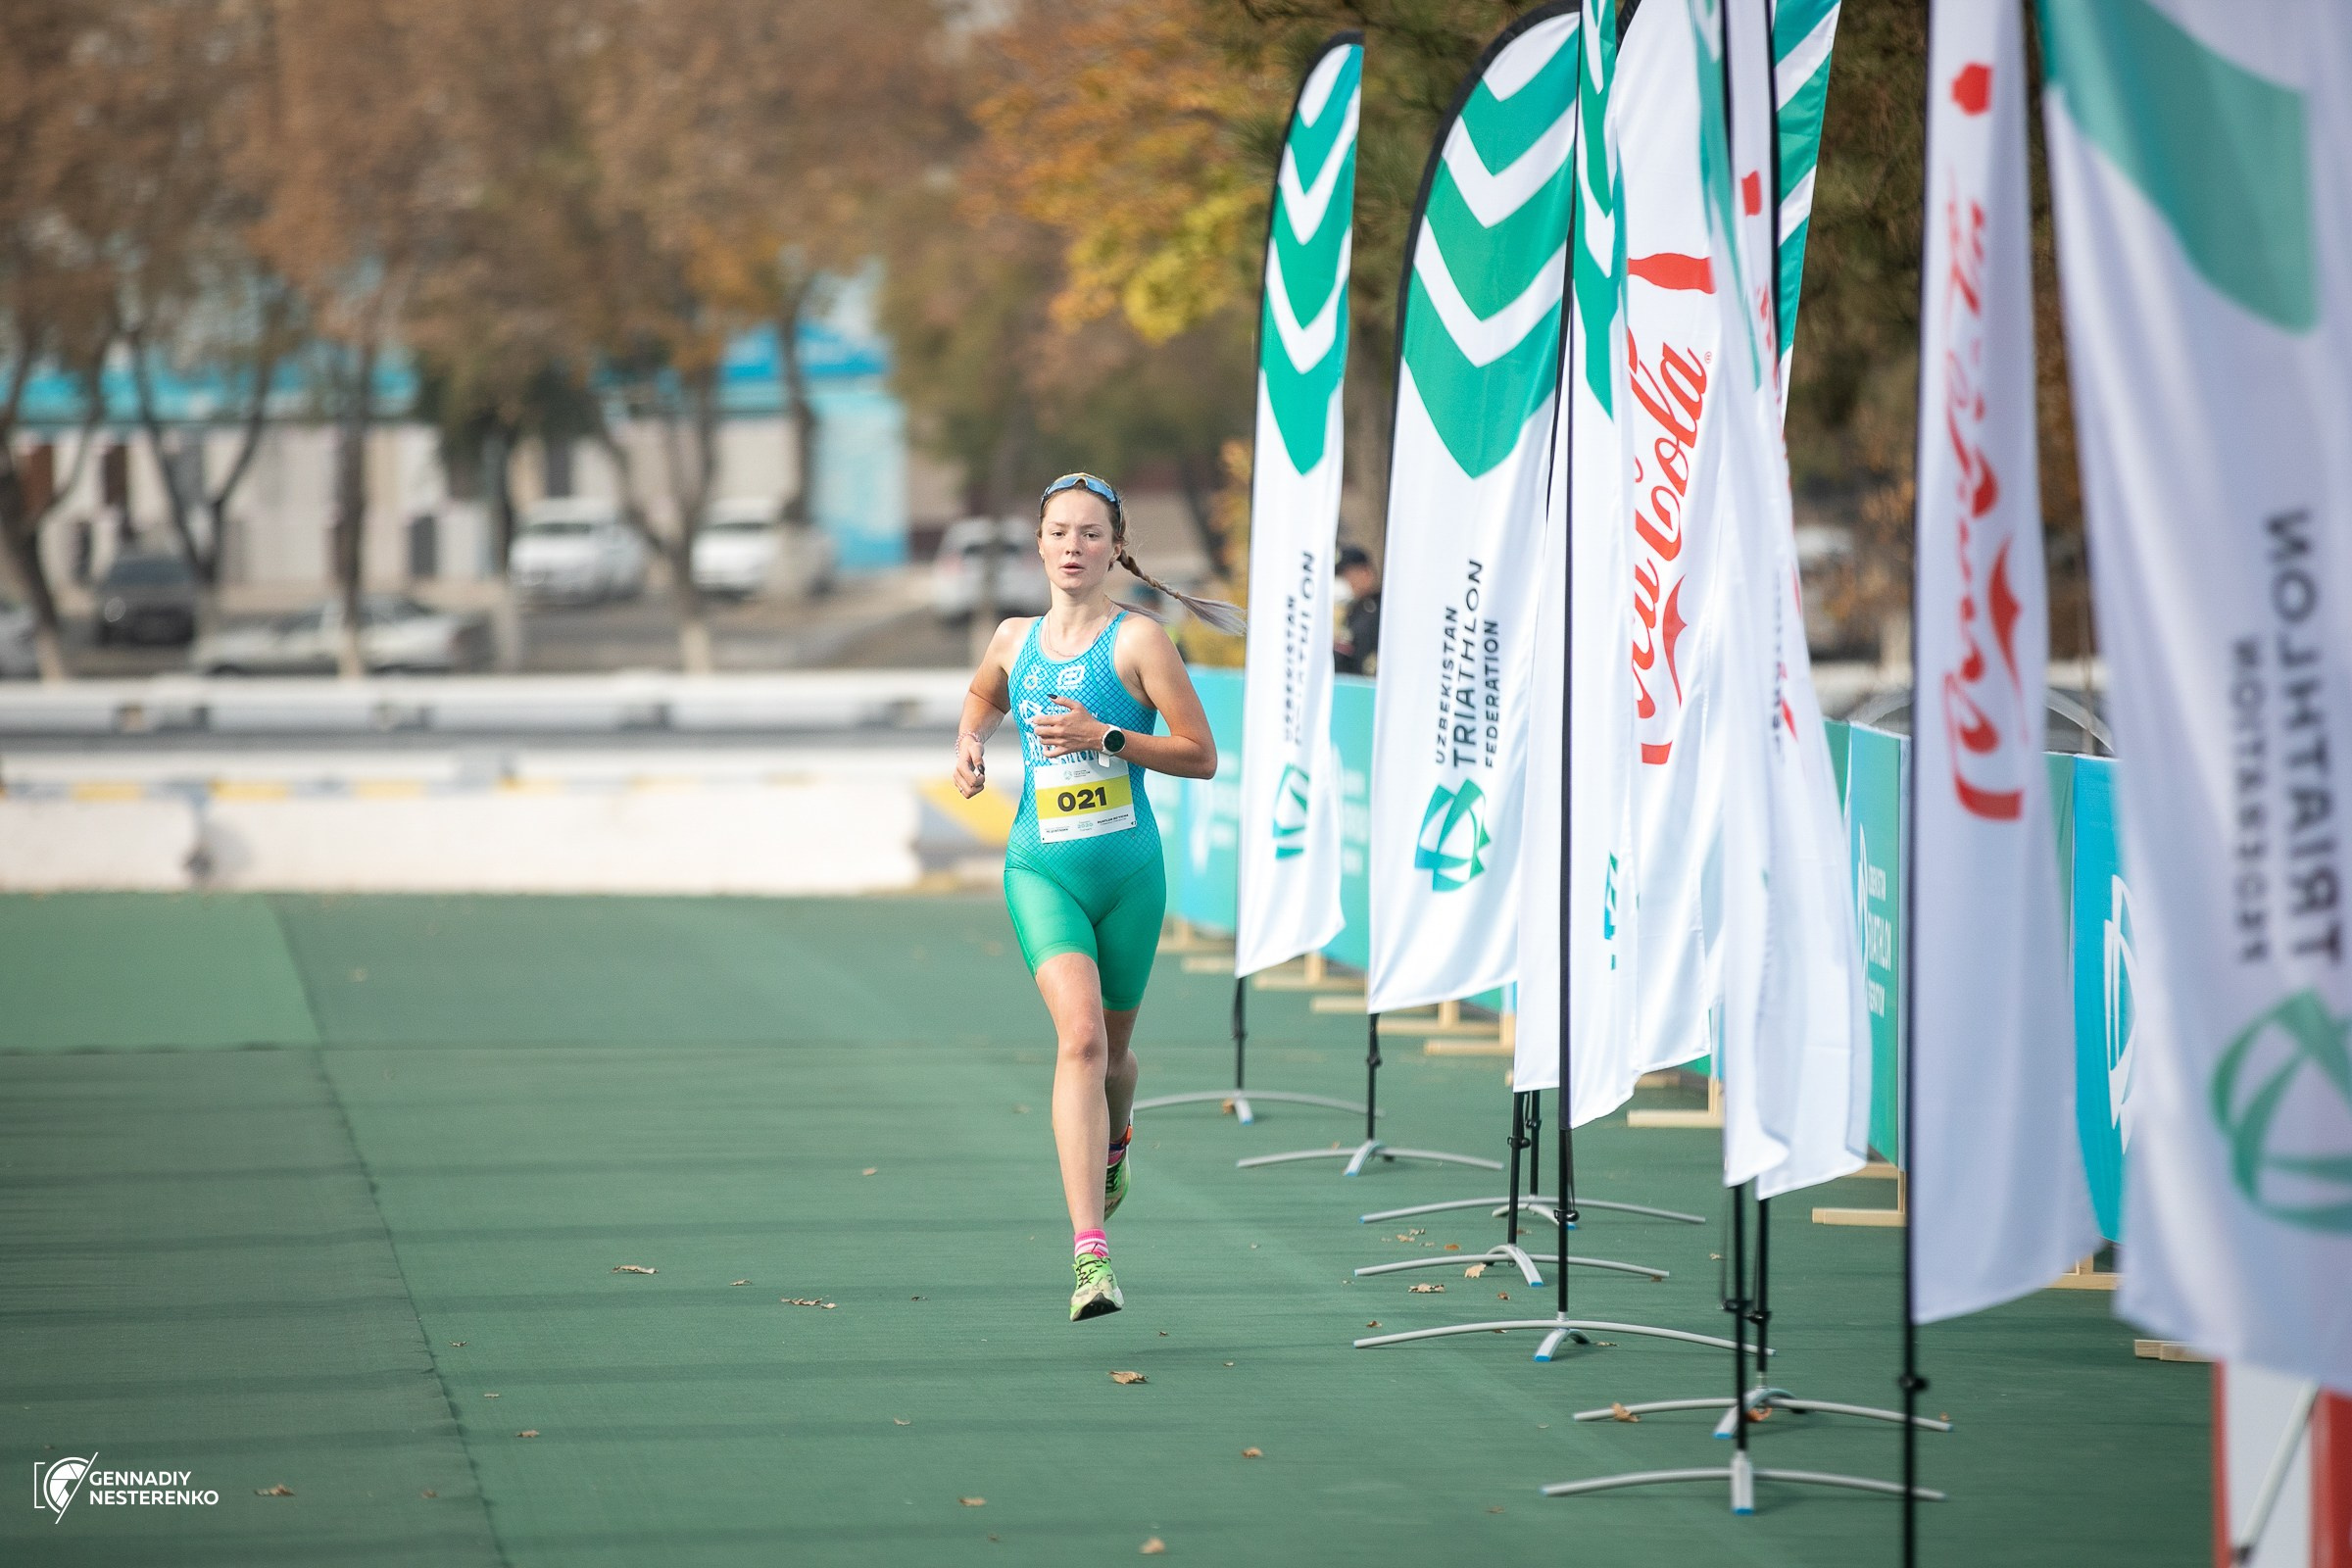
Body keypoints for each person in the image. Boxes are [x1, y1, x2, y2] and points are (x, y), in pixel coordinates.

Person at [952, 473, 1242, 1321]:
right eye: (1058, 532)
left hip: (1128, 876)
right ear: (1037, 545)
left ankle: (1117, 1142)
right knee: (1077, 1040)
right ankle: (1091, 1259)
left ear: (1115, 548)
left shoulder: (1141, 642)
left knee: (1114, 1057)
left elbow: (1201, 754)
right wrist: (970, 742)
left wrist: (1104, 735)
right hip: (1043, 868)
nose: (1072, 547)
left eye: (1089, 534)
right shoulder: (1013, 639)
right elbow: (981, 695)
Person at [1333, 544, 1381, 673]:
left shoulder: (1382, 608)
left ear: (1366, 573)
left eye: (1349, 574)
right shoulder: (1352, 610)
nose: (1347, 581)